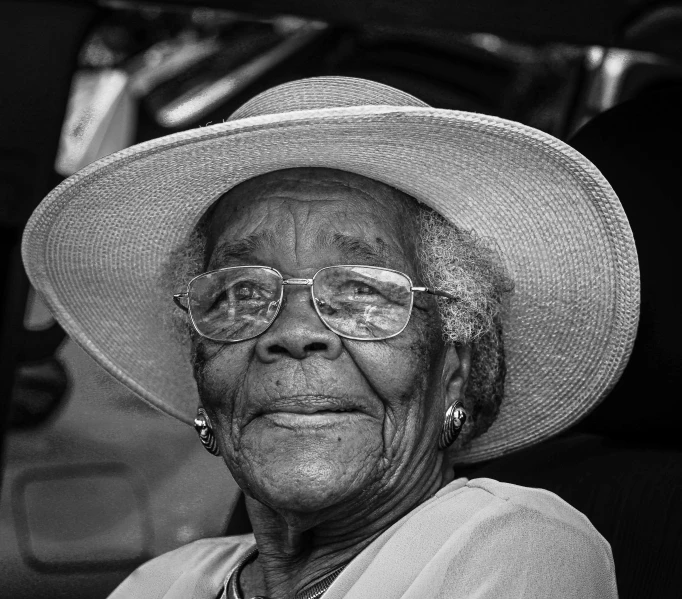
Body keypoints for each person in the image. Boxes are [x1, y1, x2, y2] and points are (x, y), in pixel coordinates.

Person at [22, 77, 638, 598]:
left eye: (363, 291)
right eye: (241, 293)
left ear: (452, 362)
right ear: (201, 363)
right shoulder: (162, 583)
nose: (292, 334)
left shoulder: (512, 544)